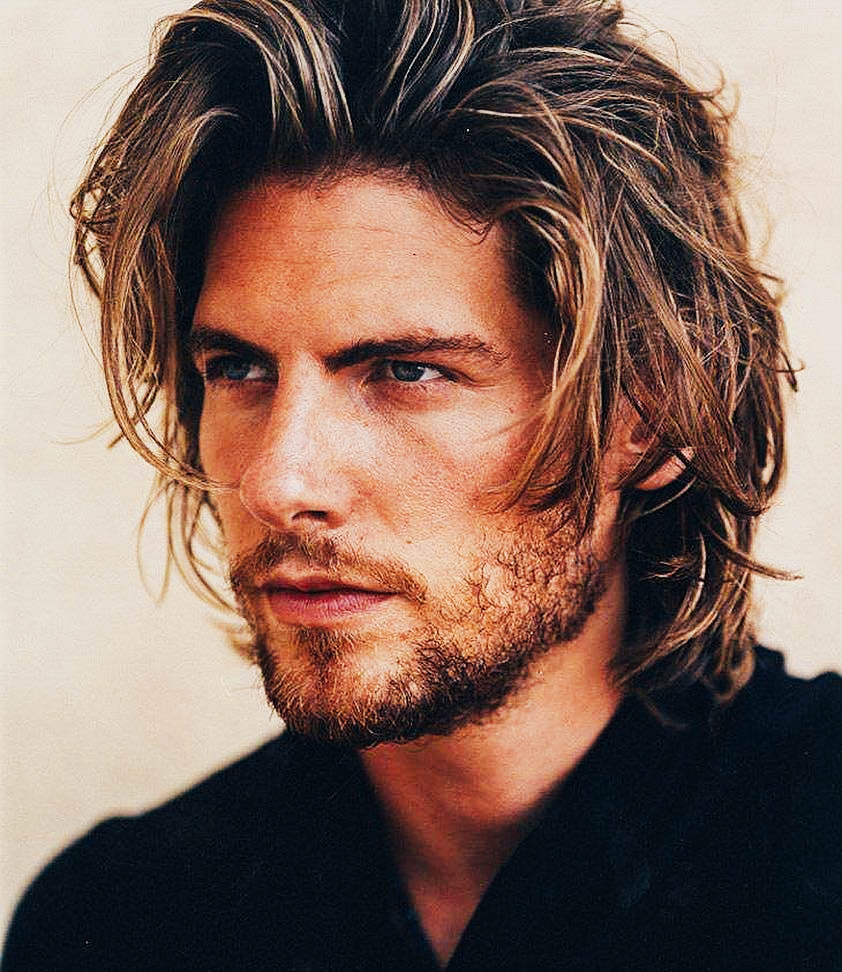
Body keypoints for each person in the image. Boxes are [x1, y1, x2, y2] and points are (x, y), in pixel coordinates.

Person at [4, 0, 841, 967]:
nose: (278, 480)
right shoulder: (120, 922)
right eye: (237, 369)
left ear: (645, 415)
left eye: (406, 371)